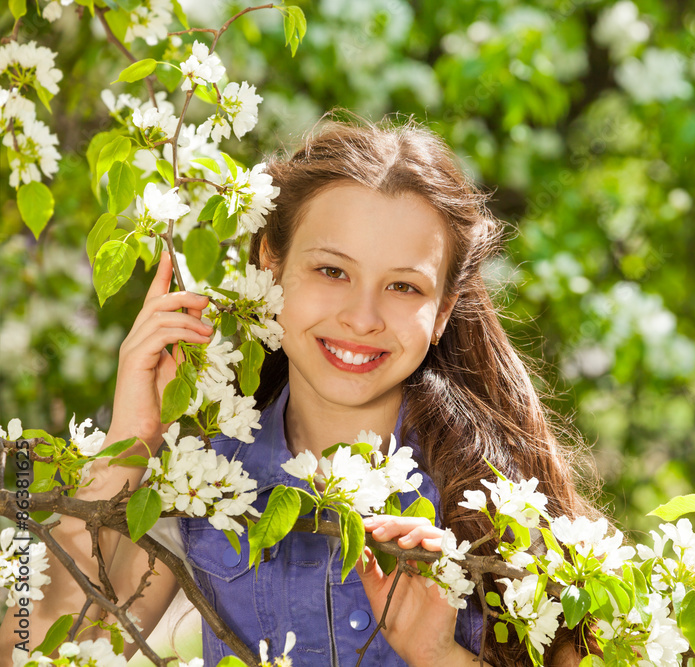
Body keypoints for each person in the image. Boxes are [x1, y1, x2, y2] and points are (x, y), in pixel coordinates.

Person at [1, 113, 605, 667]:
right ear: (270, 265)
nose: (362, 317)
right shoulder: (200, 474)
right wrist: (132, 440)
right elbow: (37, 645)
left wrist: (435, 653)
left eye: (404, 288)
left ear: (444, 310)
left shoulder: (495, 498)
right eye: (332, 271)